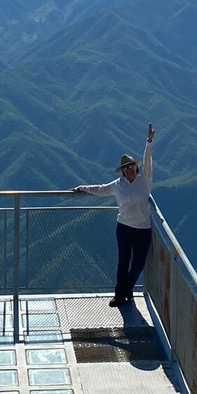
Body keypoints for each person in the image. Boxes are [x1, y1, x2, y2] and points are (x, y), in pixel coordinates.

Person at [72, 123, 155, 307]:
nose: (129, 169)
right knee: (123, 262)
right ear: (123, 171)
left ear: (136, 166)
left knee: (138, 264)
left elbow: (148, 160)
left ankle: (127, 289)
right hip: (124, 227)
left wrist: (149, 141)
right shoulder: (118, 185)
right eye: (125, 168)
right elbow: (101, 189)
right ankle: (120, 295)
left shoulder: (145, 180)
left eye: (131, 166)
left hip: (143, 228)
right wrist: (82, 188)